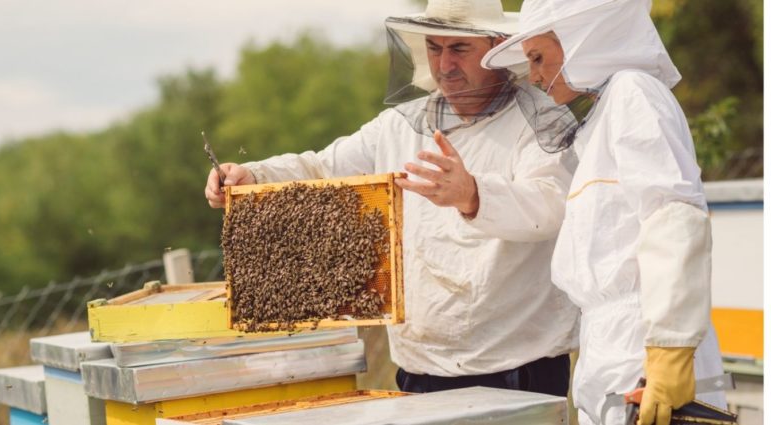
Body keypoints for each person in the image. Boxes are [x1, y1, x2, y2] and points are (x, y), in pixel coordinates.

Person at [205, 0, 579, 396]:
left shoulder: (543, 120)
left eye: (459, 49)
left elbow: (551, 207)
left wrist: (474, 195)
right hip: (418, 368)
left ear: (498, 48)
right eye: (434, 49)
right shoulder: (400, 126)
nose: (445, 65)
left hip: (516, 368)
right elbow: (325, 167)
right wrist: (255, 175)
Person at [481, 0, 727, 424]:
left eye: (538, 58)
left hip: (643, 339)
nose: (535, 77)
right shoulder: (599, 120)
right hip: (607, 344)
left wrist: (670, 349)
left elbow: (673, 215)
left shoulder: (635, 94)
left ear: (583, 41)